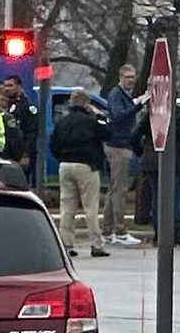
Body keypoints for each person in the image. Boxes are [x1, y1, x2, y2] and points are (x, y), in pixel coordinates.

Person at [49, 90, 112, 258]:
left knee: (67, 207)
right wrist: (100, 116)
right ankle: (96, 245)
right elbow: (108, 133)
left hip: (65, 164)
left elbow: (53, 144)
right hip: (87, 165)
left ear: (71, 102)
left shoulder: (63, 122)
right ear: (87, 104)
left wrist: (62, 157)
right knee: (90, 206)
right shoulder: (91, 121)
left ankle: (66, 244)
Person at [132, 111, 180, 247]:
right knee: (176, 198)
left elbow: (134, 135)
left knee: (158, 198)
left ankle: (159, 233)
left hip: (152, 161)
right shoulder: (178, 115)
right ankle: (176, 233)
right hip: (176, 161)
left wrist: (142, 151)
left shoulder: (151, 115)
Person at [103, 64, 149, 247]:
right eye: (128, 77)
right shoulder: (116, 95)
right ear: (120, 77)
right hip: (118, 146)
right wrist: (139, 105)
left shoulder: (124, 96)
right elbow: (119, 115)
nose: (131, 80)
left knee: (113, 190)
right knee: (120, 190)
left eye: (133, 77)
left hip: (121, 145)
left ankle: (107, 230)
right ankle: (120, 231)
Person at [2, 75, 39, 184]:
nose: (7, 89)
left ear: (19, 87)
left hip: (21, 154)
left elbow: (31, 132)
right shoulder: (11, 105)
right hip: (9, 153)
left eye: (10, 85)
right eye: (5, 86)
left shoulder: (27, 107)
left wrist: (25, 154)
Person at [0, 85, 25, 161]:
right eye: (1, 99)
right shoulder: (0, 116)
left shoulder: (12, 114)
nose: (2, 102)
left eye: (4, 100)